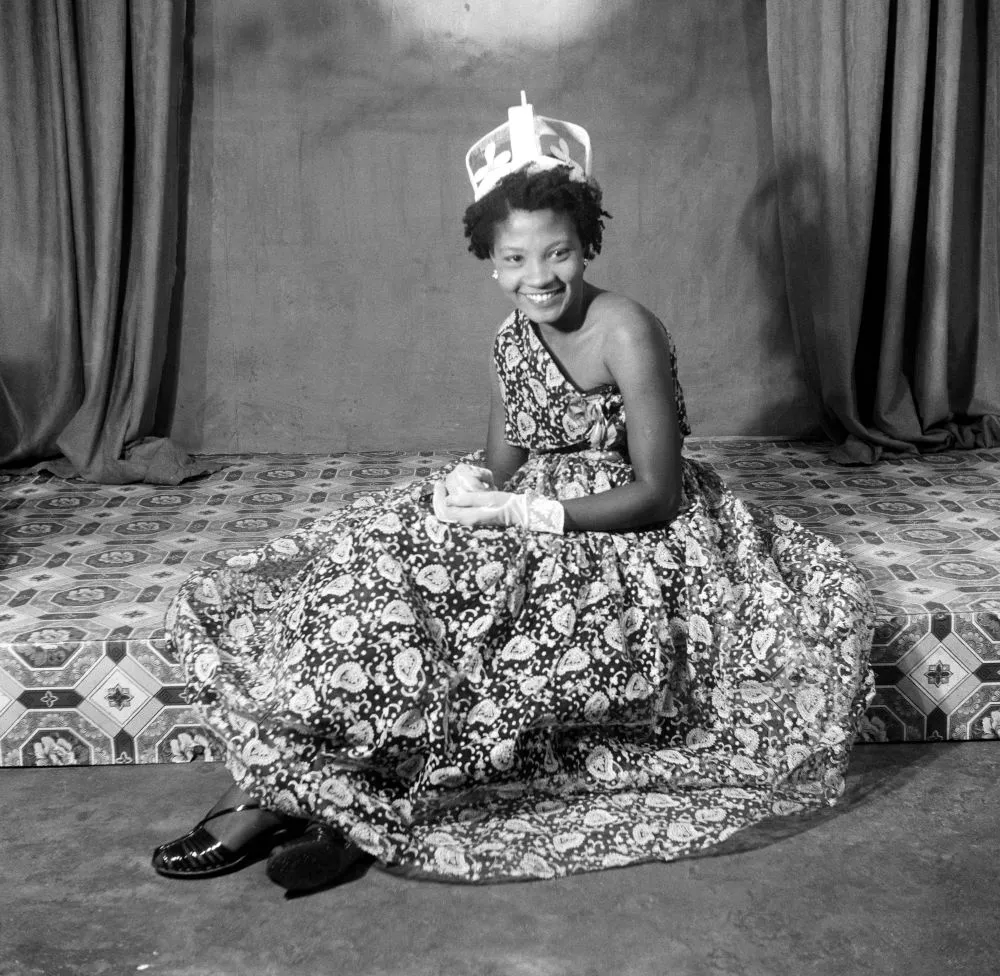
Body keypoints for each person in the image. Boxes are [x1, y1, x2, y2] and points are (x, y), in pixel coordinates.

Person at [153, 96, 875, 891]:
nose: (539, 277)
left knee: (478, 611)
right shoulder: (508, 337)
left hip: (627, 533)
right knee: (377, 561)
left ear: (586, 244)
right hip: (534, 508)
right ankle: (299, 787)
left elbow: (659, 492)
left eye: (558, 253)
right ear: (490, 261)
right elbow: (504, 456)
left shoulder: (627, 330)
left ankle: (335, 803)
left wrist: (528, 513)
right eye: (515, 261)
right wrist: (477, 486)